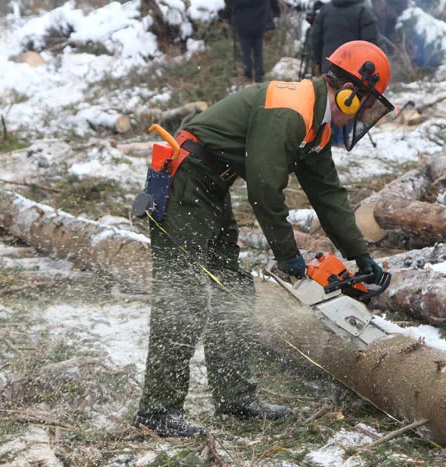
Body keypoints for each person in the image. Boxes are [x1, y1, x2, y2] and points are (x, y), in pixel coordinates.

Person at [133, 40, 394, 438]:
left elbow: (328, 195)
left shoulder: (315, 125)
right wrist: (287, 255)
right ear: (349, 93)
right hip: (186, 183)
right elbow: (264, 188)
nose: (364, 114)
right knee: (182, 294)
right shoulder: (291, 111)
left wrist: (361, 256)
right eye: (367, 103)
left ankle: (235, 398)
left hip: (211, 187)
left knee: (234, 290)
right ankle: (157, 410)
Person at [310, 0, 378, 146]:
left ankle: (328, 138)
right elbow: (371, 45)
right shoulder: (363, 12)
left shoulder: (326, 10)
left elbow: (316, 38)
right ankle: (343, 140)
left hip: (330, 66)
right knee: (350, 102)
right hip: (356, 70)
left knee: (330, 101)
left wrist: (317, 61)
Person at [228, 0, 271, 83]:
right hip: (259, 23)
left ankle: (247, 75)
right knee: (258, 52)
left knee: (246, 52)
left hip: (243, 24)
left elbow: (230, 3)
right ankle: (259, 75)